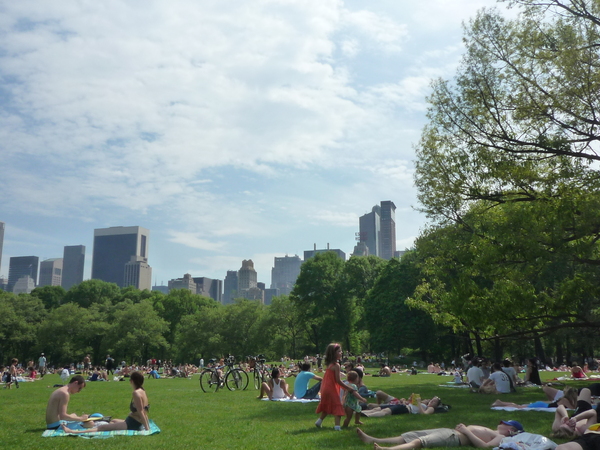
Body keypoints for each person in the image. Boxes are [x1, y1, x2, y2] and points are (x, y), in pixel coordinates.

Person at [62, 371, 150, 433]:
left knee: (102, 427)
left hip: (133, 424)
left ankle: (72, 431)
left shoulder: (136, 393)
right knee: (114, 421)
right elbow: (144, 411)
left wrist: (147, 429)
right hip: (133, 421)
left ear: (132, 381)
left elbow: (141, 411)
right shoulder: (142, 391)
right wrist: (146, 425)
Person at [356, 420, 524, 449]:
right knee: (410, 434)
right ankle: (373, 439)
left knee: (421, 441)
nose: (501, 424)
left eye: (505, 424)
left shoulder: (502, 438)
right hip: (451, 431)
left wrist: (466, 431)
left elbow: (485, 447)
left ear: (511, 430)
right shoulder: (496, 432)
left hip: (456, 437)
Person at [315, 343, 356, 431]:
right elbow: (338, 380)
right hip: (331, 388)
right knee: (337, 406)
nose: (341, 353)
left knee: (327, 405)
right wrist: (348, 388)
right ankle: (337, 427)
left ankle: (319, 422)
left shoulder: (330, 364)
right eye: (339, 351)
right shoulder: (336, 365)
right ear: (334, 353)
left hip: (325, 388)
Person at [492, 386, 578, 409]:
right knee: (519, 407)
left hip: (543, 404)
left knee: (520, 405)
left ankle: (501, 402)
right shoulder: (565, 400)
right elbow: (573, 408)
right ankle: (500, 404)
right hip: (542, 405)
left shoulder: (563, 399)